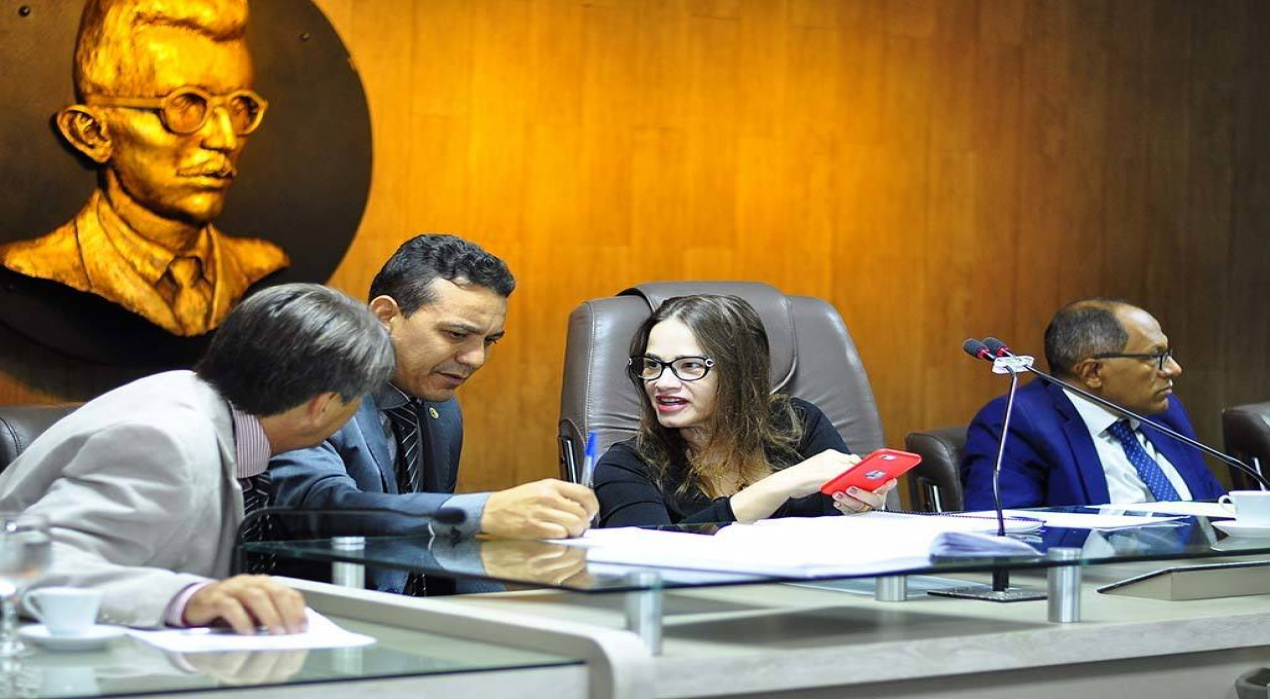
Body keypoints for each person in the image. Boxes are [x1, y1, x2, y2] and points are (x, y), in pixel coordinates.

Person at [0, 283, 395, 632]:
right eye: (358, 398)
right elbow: (25, 567)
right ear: (323, 405)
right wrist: (187, 598)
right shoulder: (166, 442)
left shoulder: (201, 403)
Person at [269, 235, 598, 593]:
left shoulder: (442, 408)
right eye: (457, 334)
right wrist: (482, 513)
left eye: (490, 340)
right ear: (385, 316)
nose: (476, 359)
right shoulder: (315, 392)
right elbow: (319, 509)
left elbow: (436, 550)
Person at [0, 0, 288, 336]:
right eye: (185, 105)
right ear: (92, 133)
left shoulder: (260, 263)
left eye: (240, 107)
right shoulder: (39, 265)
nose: (225, 139)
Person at [593, 294, 894, 527]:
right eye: (652, 365)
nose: (662, 382)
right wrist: (777, 487)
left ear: (739, 372)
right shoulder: (627, 465)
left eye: (690, 366)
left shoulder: (799, 423)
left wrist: (861, 505)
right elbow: (645, 557)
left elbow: (845, 526)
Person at [961, 298, 1225, 510]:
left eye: (1168, 354)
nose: (1174, 369)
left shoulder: (1164, 413)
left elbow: (1215, 506)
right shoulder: (1016, 422)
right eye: (1155, 357)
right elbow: (1008, 531)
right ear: (1093, 372)